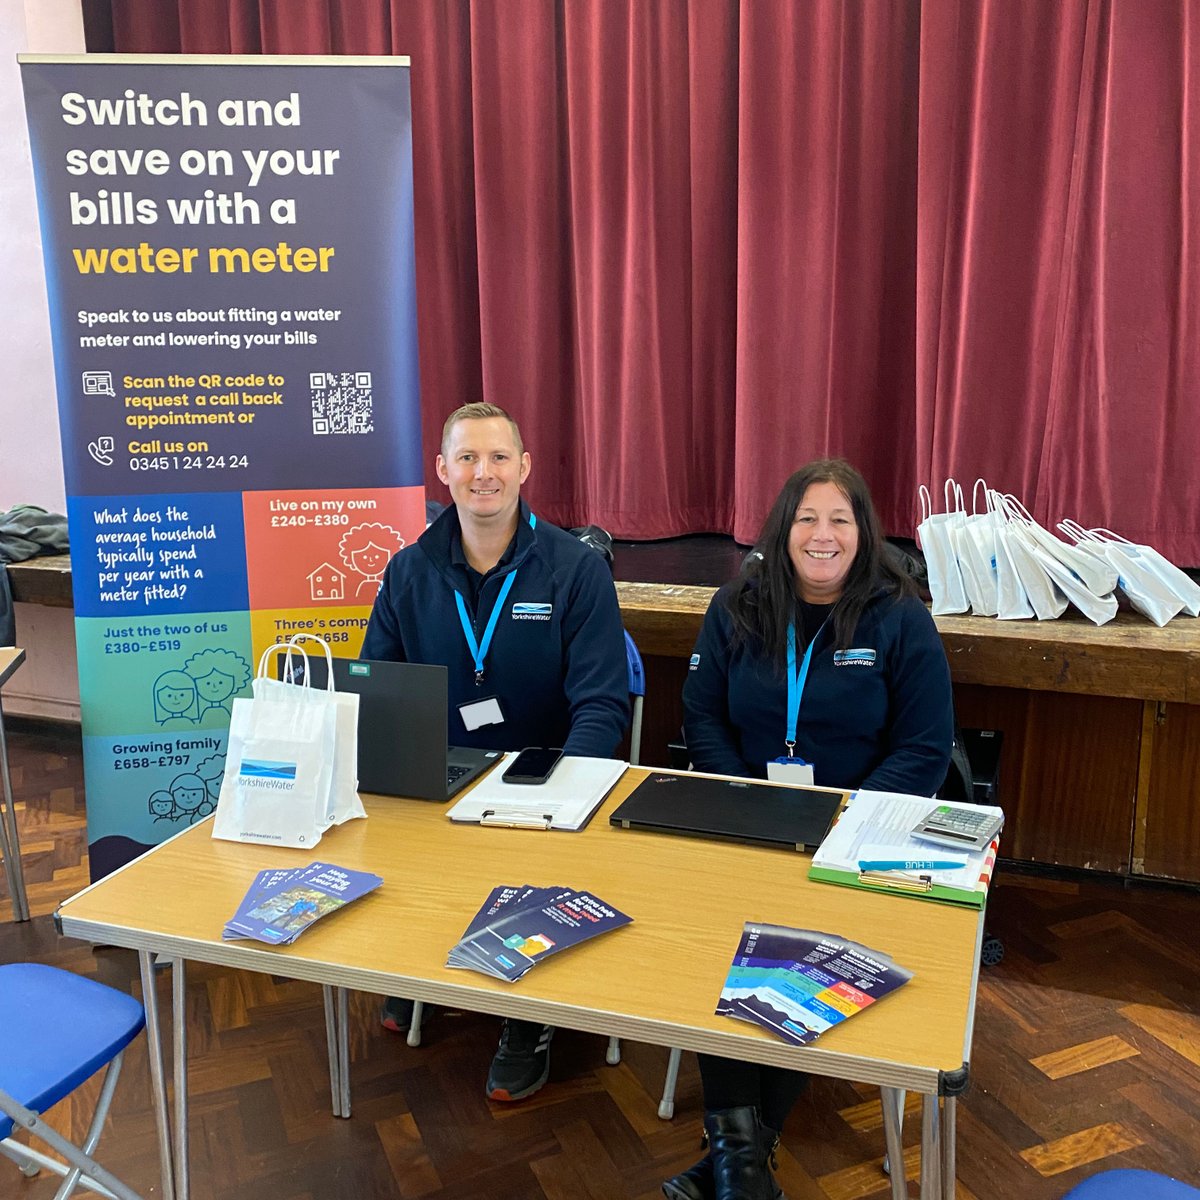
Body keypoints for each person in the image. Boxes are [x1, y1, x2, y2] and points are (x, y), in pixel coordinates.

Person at [664, 459, 953, 1200]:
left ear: (864, 533)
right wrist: (745, 800)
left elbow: (924, 748)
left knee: (803, 948)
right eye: (806, 520)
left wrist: (844, 822)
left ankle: (734, 1158)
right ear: (781, 530)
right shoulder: (738, 606)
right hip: (753, 823)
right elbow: (702, 716)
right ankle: (742, 1156)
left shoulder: (899, 617)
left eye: (839, 521)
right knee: (727, 935)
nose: (822, 536)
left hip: (859, 834)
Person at [361, 401, 629, 1101]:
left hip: (546, 770)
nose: (485, 474)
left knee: (536, 853)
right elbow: (380, 691)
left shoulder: (574, 571)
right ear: (443, 470)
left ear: (524, 467)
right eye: (469, 459)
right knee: (386, 824)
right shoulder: (407, 571)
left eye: (500, 457)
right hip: (445, 768)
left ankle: (526, 1018)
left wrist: (562, 790)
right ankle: (418, 964)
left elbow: (601, 704)